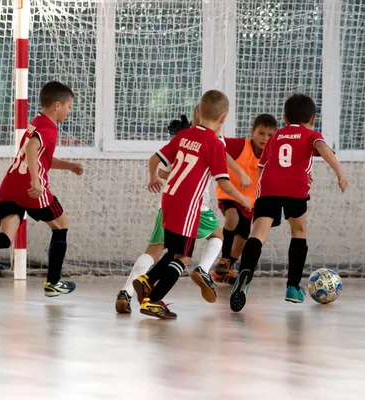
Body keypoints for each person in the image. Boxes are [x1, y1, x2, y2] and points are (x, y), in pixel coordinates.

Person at [0, 81, 83, 297]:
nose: (69, 111)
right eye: (69, 106)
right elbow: (32, 149)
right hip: (30, 189)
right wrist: (36, 181)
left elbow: (40, 157)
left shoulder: (36, 123)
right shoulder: (49, 127)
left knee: (5, 237)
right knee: (62, 225)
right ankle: (53, 283)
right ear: (57, 105)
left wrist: (69, 166)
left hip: (10, 186)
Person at [115, 105, 251, 313]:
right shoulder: (211, 140)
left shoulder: (184, 138)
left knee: (159, 250)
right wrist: (242, 196)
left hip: (167, 202)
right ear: (222, 118)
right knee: (195, 249)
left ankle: (128, 291)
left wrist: (238, 170)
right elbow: (221, 164)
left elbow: (161, 170)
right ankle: (200, 272)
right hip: (193, 206)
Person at [229, 93, 348, 312]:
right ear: (312, 118)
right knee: (299, 231)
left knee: (258, 234)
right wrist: (339, 173)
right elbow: (323, 149)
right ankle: (292, 287)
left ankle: (244, 275)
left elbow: (263, 166)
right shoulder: (312, 134)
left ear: (284, 118)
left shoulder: (276, 136)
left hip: (269, 187)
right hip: (295, 189)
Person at [213, 114, 278, 284]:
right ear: (252, 132)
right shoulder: (240, 145)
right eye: (261, 133)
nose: (265, 138)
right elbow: (217, 143)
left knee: (242, 240)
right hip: (231, 194)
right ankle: (224, 259)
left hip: (251, 203)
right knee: (232, 216)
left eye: (270, 135)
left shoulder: (274, 155)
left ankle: (223, 271)